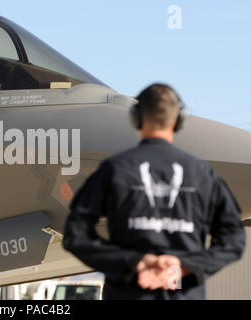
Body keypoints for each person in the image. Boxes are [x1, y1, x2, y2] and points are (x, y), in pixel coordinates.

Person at [63, 83, 246, 300]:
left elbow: (76, 235)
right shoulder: (203, 175)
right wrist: (184, 266)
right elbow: (233, 241)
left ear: (136, 118)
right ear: (179, 121)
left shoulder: (114, 170)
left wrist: (134, 262)